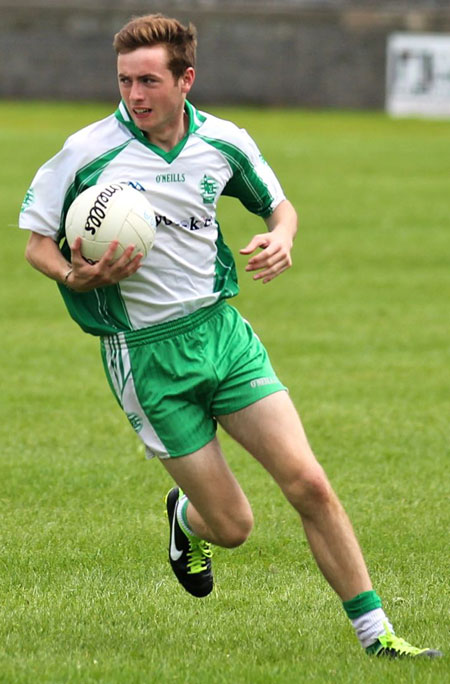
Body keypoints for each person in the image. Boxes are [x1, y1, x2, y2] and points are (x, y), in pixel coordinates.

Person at [19, 13, 441, 659]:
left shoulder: (223, 142)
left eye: (150, 80)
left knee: (309, 483)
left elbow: (280, 205)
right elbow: (36, 243)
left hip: (222, 334)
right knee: (235, 526)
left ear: (186, 79)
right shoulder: (86, 152)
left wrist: (283, 235)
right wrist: (74, 276)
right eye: (126, 80)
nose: (135, 95)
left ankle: (377, 635)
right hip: (146, 356)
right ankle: (187, 520)